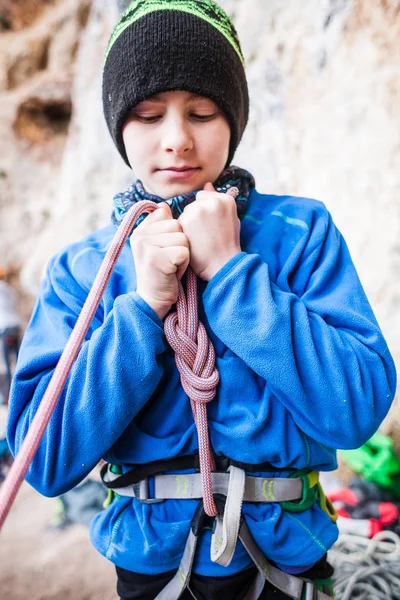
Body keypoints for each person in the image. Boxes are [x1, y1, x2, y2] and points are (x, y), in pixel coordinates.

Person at [7, 1, 396, 599]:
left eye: (203, 111)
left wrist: (234, 274)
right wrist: (140, 309)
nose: (177, 140)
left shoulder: (300, 233)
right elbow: (47, 460)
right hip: (150, 568)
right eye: (147, 114)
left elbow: (355, 409)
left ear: (233, 118)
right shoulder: (87, 268)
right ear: (118, 126)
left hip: (283, 561)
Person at [0, 266, 20, 395]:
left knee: (7, 364)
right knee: (18, 360)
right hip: (15, 326)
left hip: (5, 328)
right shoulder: (9, 289)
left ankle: (8, 394)